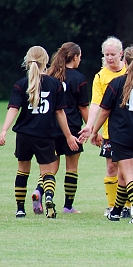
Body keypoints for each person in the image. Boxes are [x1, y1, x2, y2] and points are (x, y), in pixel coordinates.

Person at [0, 46, 78, 218]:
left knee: (22, 171)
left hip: (24, 135)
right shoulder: (55, 84)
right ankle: (48, 198)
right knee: (48, 172)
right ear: (46, 61)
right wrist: (69, 135)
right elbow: (59, 112)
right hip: (46, 134)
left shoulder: (21, 83)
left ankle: (20, 209)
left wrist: (4, 130)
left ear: (27, 61)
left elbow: (13, 108)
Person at [79, 46, 133, 223]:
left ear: (124, 61)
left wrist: (94, 131)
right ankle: (116, 211)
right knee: (122, 176)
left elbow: (104, 111)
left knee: (129, 173)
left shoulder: (117, 83)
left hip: (120, 135)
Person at [46, 42, 89, 213]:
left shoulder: (51, 76)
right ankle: (68, 206)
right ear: (75, 57)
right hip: (71, 128)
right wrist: (91, 129)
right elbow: (83, 107)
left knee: (51, 167)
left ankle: (40, 191)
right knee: (71, 168)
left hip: (51, 127)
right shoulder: (78, 79)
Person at [87, 37, 127, 216]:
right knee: (112, 166)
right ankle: (113, 206)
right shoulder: (100, 76)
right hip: (110, 129)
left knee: (131, 167)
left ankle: (129, 205)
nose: (110, 58)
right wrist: (90, 127)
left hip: (130, 127)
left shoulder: (130, 71)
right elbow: (96, 104)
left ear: (121, 53)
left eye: (113, 54)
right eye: (106, 55)